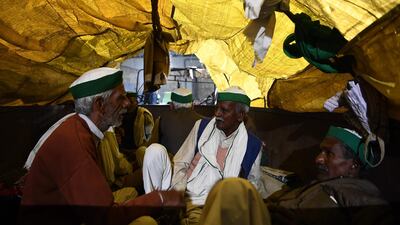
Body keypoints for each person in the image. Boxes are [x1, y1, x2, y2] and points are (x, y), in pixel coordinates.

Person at [20, 67, 184, 225]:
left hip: (74, 215)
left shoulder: (79, 128)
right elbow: (105, 218)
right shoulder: (74, 143)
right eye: (121, 98)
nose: (127, 103)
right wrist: (161, 198)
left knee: (132, 197)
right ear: (99, 104)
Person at [199, 126, 392, 225]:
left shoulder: (356, 192)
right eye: (321, 152)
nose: (318, 159)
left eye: (329, 154)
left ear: (353, 166)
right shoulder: (313, 186)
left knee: (233, 188)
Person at [142, 86, 263, 225]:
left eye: (224, 110)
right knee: (154, 151)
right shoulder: (202, 126)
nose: (217, 113)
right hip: (183, 189)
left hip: (210, 204)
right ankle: (155, 207)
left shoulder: (253, 146)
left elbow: (253, 186)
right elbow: (181, 162)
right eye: (217, 108)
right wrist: (177, 192)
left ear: (240, 115)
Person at [159, 87, 204, 155]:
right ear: (193, 106)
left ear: (171, 106)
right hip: (195, 164)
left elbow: (154, 143)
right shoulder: (204, 122)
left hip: (170, 163)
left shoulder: (162, 119)